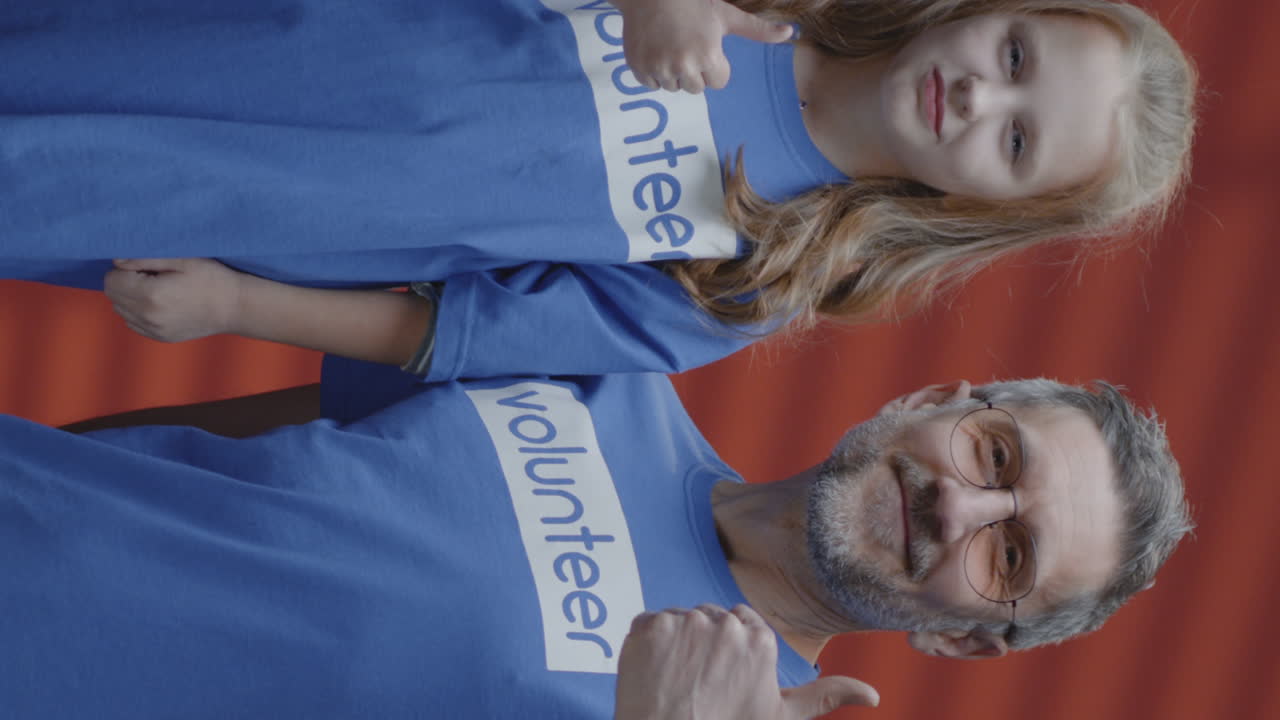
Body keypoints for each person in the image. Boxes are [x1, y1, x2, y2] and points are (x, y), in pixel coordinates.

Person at [1, 0, 1196, 380]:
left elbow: (453, 329)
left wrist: (236, 305)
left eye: (1017, 144)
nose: (980, 98)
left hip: (243, 202)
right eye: (1015, 58)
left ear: (990, 210)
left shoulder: (750, 275)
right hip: (249, 32)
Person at [4, 368, 1191, 718]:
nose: (960, 508)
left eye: (1010, 556)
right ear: (943, 400)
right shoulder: (601, 366)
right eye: (993, 457)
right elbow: (256, 434)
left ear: (972, 641)